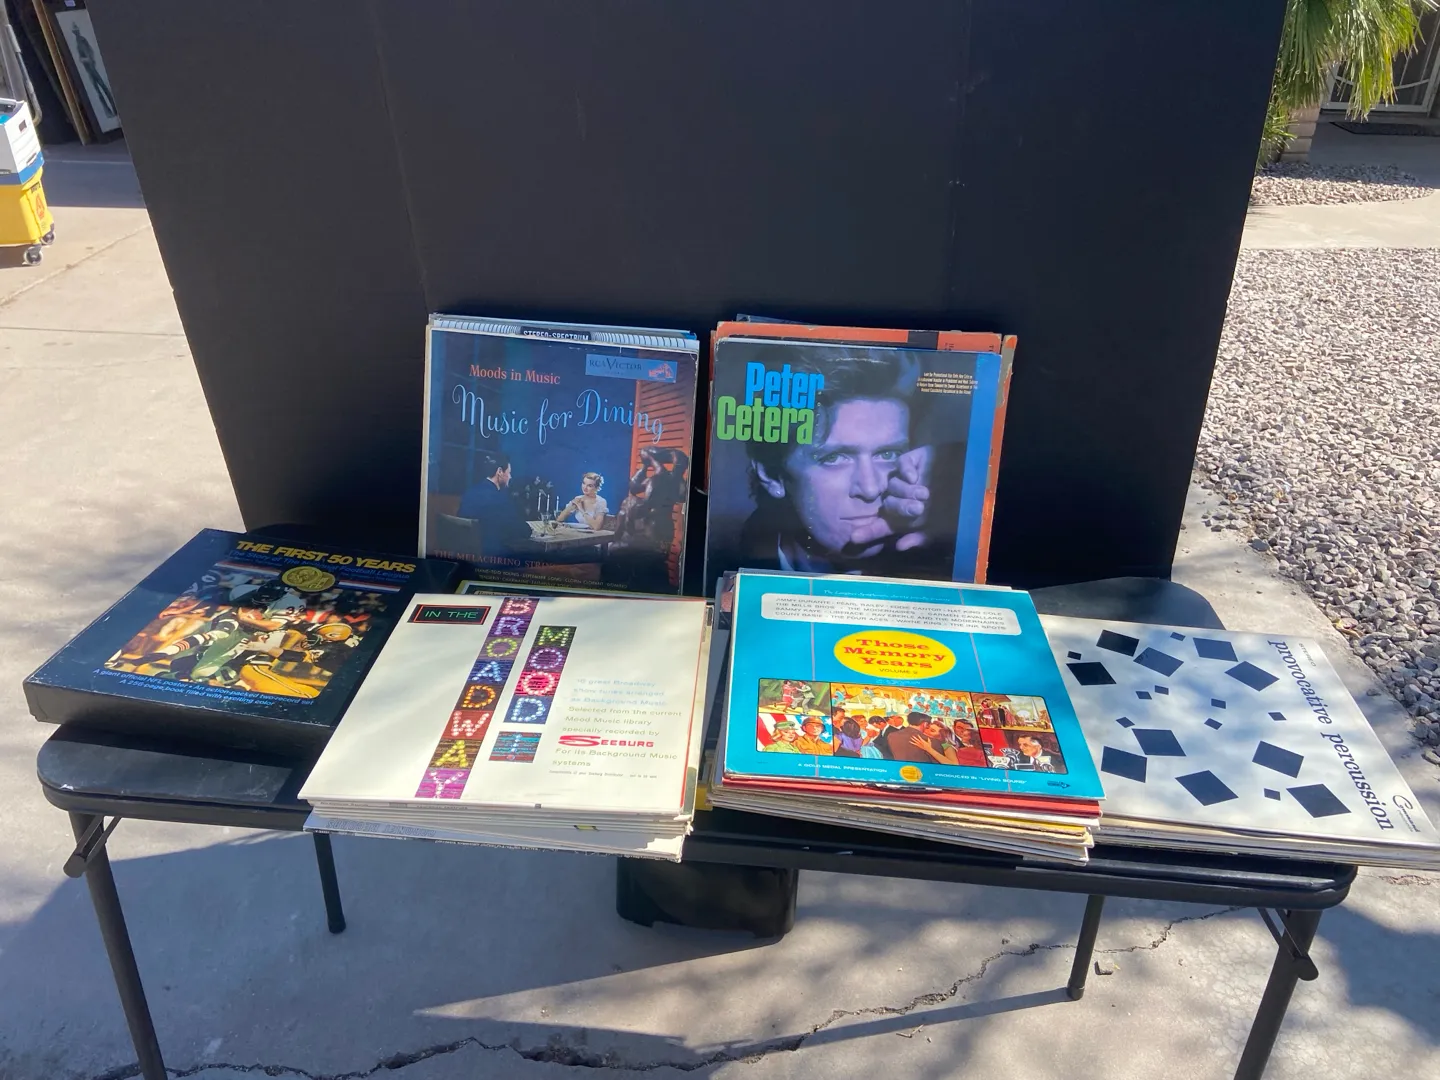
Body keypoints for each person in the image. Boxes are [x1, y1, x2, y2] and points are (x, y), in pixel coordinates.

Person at [736, 350, 967, 578]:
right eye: (834, 458)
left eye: (888, 454)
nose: (870, 489)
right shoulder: (733, 563)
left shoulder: (943, 557)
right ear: (772, 475)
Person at [458, 451, 534, 558]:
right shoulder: (499, 499)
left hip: (467, 557)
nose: (510, 477)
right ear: (499, 471)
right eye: (509, 472)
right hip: (494, 557)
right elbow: (523, 530)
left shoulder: (470, 492)